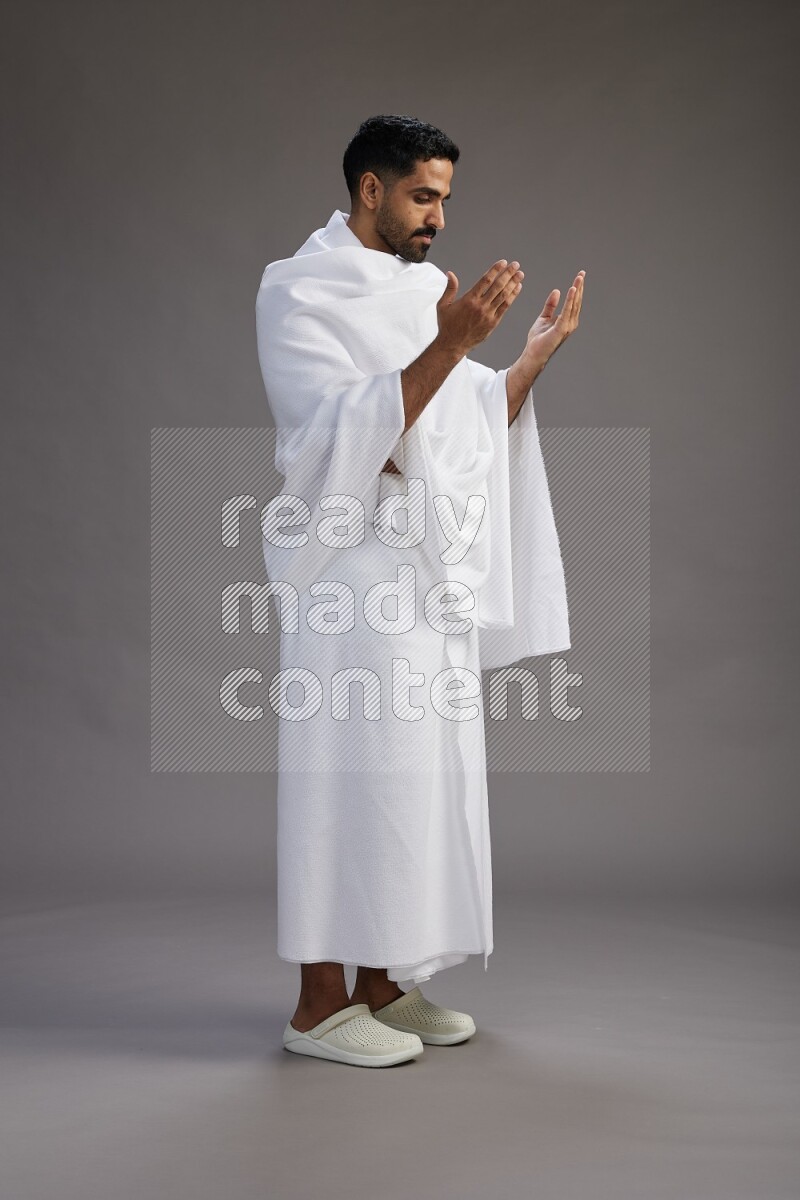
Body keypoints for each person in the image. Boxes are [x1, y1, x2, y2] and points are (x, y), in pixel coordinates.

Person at [255, 114, 584, 1067]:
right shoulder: (298, 290)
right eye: (423, 196)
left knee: (413, 780)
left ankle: (387, 987)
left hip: (421, 578)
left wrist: (520, 361)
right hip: (347, 577)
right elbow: (330, 440)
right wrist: (451, 342)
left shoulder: (422, 293)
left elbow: (459, 426)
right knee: (341, 777)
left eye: (445, 198)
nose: (438, 216)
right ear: (370, 189)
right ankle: (319, 1006)